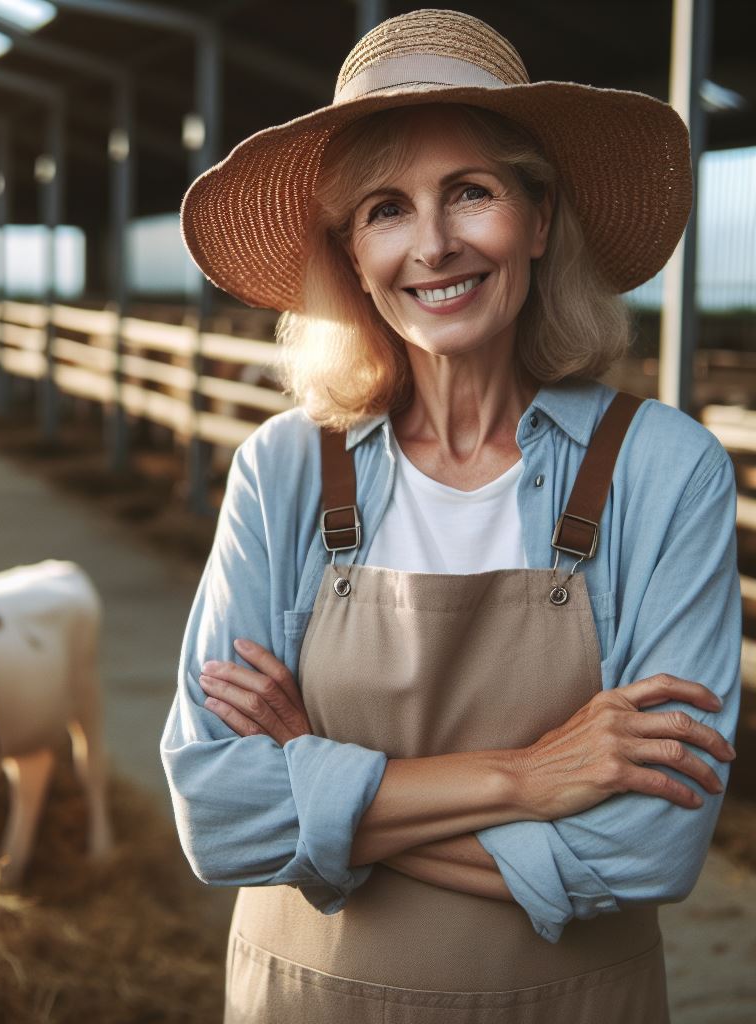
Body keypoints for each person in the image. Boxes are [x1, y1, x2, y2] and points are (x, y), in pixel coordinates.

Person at [161, 9, 741, 1023]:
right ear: (348, 253)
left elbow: (651, 846)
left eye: (469, 193)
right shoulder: (286, 469)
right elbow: (218, 814)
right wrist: (526, 777)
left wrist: (323, 787)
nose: (432, 246)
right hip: (306, 998)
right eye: (385, 208)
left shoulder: (660, 469)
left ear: (539, 217)